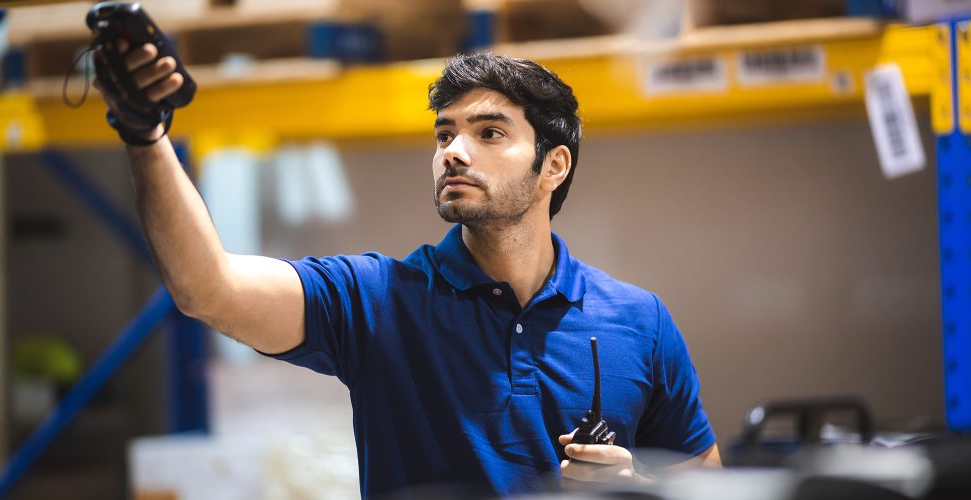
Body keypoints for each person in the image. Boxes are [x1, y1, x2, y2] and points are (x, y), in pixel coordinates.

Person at [98, 40, 721, 498]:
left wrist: (636, 483)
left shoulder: (639, 320)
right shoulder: (376, 300)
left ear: (553, 166)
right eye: (444, 133)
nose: (453, 150)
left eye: (490, 133)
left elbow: (705, 480)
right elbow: (207, 289)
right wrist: (146, 136)